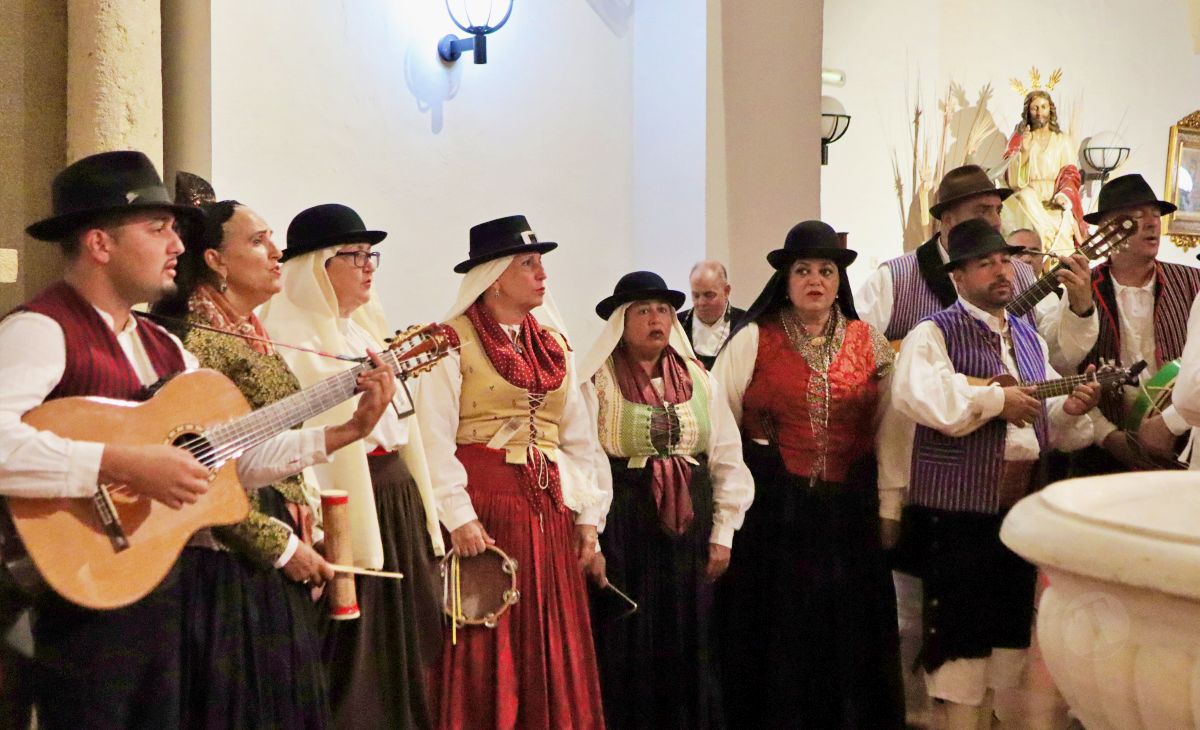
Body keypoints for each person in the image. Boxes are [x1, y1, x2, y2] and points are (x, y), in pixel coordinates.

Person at [0, 151, 396, 729]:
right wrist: (122, 464)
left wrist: (344, 431)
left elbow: (226, 456)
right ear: (99, 244)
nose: (177, 246)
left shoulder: (165, 348)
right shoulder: (41, 331)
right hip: (74, 595)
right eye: (157, 228)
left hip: (159, 589)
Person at [856, 164, 1097, 726]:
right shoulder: (933, 332)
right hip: (958, 520)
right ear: (958, 277)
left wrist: (1071, 409)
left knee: (1006, 657)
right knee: (958, 662)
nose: (999, 271)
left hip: (1014, 517)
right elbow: (927, 401)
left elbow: (1040, 426)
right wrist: (995, 401)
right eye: (984, 263)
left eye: (1002, 260)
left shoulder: (1028, 337)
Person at [151, 193, 350, 728]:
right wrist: (279, 545)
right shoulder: (192, 339)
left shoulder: (248, 332)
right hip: (224, 551)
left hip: (270, 526)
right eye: (258, 241)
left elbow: (268, 446)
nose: (276, 252)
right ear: (214, 260)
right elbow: (201, 465)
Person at [415, 214, 609, 730]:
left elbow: (579, 439)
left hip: (547, 511)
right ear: (495, 276)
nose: (542, 274)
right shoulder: (448, 343)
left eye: (541, 262)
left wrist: (588, 518)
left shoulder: (552, 347)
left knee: (552, 637)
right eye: (528, 263)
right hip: (488, 507)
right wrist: (458, 515)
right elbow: (432, 439)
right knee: (489, 631)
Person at [259, 203, 445, 730]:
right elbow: (294, 445)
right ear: (317, 266)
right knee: (348, 663)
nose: (367, 266)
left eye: (371, 256)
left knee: (401, 656)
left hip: (392, 497)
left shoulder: (363, 336)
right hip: (343, 513)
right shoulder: (291, 342)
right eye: (353, 255)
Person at [712, 220, 904, 728]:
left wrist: (888, 507)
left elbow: (889, 431)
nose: (815, 280)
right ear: (786, 279)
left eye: (826, 270)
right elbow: (718, 422)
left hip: (849, 513)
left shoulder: (871, 343)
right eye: (803, 270)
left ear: (840, 281)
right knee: (778, 627)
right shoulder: (754, 338)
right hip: (774, 511)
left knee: (847, 629)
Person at [578, 271, 753, 730]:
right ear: (622, 321)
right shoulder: (597, 380)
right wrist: (591, 537)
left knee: (690, 634)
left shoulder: (698, 379)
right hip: (626, 522)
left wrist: (723, 534)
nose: (655, 319)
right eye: (642, 311)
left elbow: (726, 456)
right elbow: (586, 459)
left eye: (662, 310)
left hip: (689, 524)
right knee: (630, 634)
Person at [1071, 174, 1200, 474]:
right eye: (1136, 216)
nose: (1152, 223)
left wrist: (1172, 424)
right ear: (1105, 230)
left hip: (1180, 448)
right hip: (1101, 454)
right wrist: (1108, 436)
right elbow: (1065, 372)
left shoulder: (1192, 282)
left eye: (1155, 215)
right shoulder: (1081, 288)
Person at [1000, 85, 1085, 255]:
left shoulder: (1063, 140)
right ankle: (1046, 238)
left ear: (1050, 110)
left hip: (1054, 195)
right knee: (1025, 195)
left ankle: (1054, 249)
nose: (1039, 113)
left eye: (1043, 107)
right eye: (1035, 108)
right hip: (1028, 197)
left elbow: (1070, 174)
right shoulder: (1019, 139)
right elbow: (1011, 179)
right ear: (1028, 112)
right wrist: (1023, 152)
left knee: (1061, 216)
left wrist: (1063, 195)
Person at [678, 261, 745, 369]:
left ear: (726, 291)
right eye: (696, 295)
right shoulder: (678, 324)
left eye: (709, 295)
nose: (701, 303)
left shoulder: (745, 324)